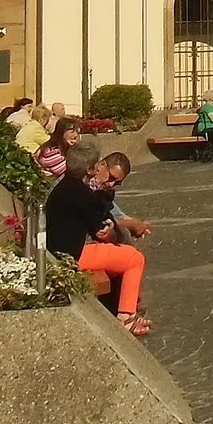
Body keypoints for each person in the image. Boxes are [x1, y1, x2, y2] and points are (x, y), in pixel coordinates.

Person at [44, 140, 148, 335]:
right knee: (134, 259)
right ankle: (126, 317)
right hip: (73, 255)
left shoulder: (66, 185)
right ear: (91, 168)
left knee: (124, 254)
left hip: (60, 250)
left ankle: (126, 307)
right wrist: (111, 232)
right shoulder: (81, 193)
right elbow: (100, 230)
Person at [92, 151, 152, 244]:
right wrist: (132, 225)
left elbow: (118, 215)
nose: (111, 184)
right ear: (101, 165)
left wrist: (140, 224)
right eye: (111, 177)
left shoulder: (104, 192)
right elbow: (96, 222)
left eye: (117, 183)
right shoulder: (85, 186)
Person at [34, 115, 81, 180]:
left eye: (77, 132)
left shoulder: (59, 147)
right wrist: (75, 148)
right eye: (72, 132)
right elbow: (74, 170)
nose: (75, 135)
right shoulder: (52, 152)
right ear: (62, 132)